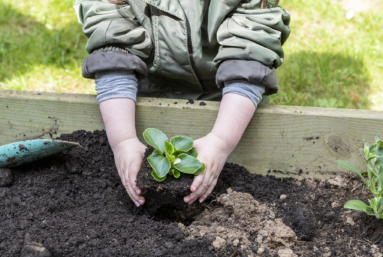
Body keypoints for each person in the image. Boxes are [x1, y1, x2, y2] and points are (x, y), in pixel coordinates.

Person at [74, 0, 290, 207]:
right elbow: (113, 51)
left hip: (230, 105)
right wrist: (123, 141)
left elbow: (249, 53)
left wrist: (221, 142)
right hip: (136, 101)